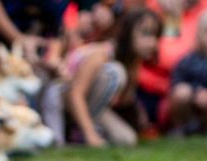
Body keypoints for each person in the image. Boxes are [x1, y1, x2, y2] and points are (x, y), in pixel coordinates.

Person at [43, 8, 163, 146]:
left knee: (127, 139)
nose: (152, 42)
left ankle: (83, 130)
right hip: (59, 98)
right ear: (128, 33)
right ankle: (79, 131)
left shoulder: (133, 62)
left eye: (156, 36)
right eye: (146, 34)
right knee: (114, 73)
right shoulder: (102, 53)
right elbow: (75, 93)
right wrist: (90, 135)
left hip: (91, 106)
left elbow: (122, 102)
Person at [168, 11, 207, 133]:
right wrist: (197, 92)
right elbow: (176, 81)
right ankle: (184, 127)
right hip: (193, 105)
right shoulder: (188, 60)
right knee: (181, 92)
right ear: (199, 35)